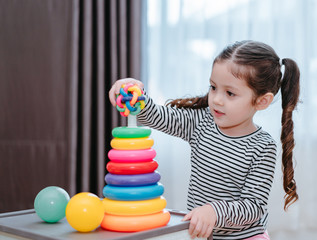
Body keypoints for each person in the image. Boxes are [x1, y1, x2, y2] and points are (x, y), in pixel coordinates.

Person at [109, 40, 300, 240]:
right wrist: (134, 95)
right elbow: (158, 116)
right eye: (213, 87)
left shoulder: (262, 147)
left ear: (261, 101)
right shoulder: (201, 123)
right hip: (201, 234)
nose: (216, 99)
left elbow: (253, 206)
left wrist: (215, 211)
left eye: (230, 93)